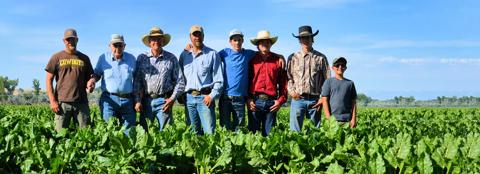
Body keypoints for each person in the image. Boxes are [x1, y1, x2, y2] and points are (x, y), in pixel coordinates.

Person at [134, 27, 185, 132]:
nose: (156, 41)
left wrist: (172, 99)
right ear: (149, 42)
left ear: (163, 41)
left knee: (166, 134)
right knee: (144, 134)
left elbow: (180, 82)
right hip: (146, 101)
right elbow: (137, 81)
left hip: (164, 102)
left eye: (159, 39)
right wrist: (137, 100)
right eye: (153, 39)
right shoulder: (142, 58)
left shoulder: (171, 58)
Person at [45, 28, 94, 131]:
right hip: (62, 103)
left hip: (81, 103)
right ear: (64, 41)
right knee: (60, 135)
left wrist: (91, 83)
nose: (70, 42)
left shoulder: (84, 58)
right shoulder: (56, 57)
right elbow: (48, 79)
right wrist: (52, 101)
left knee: (85, 135)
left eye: (73, 39)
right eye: (68, 39)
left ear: (77, 40)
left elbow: (90, 77)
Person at [88, 34, 136, 134]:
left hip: (128, 100)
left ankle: (128, 149)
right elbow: (97, 74)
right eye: (115, 45)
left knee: (130, 131)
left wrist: (138, 99)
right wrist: (92, 81)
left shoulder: (131, 59)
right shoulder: (103, 58)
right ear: (110, 46)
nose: (118, 48)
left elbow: (138, 80)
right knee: (109, 130)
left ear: (124, 46)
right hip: (109, 99)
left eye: (120, 45)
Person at [179, 25, 223, 135]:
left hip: (205, 98)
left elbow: (219, 79)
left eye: (199, 34)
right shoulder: (184, 55)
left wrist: (211, 96)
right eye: (194, 35)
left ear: (203, 36)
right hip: (189, 99)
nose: (197, 37)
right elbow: (179, 77)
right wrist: (181, 95)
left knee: (209, 133)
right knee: (193, 134)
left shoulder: (212, 54)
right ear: (190, 37)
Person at [287, 25, 330, 132]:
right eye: (302, 38)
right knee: (295, 133)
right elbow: (288, 77)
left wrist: (322, 98)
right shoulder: (292, 57)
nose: (305, 40)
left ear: (312, 39)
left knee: (315, 133)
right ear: (299, 40)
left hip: (315, 100)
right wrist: (292, 92)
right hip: (298, 99)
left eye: (308, 37)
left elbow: (327, 80)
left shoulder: (321, 58)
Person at [247, 30, 288, 136]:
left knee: (270, 136)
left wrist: (280, 101)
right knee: (253, 135)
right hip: (255, 101)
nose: (265, 44)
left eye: (267, 41)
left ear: (271, 44)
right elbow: (246, 80)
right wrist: (248, 98)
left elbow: (284, 84)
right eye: (262, 42)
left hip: (271, 103)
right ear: (257, 45)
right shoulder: (251, 59)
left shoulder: (277, 61)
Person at [217, 29, 256, 132]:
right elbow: (210, 57)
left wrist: (279, 56)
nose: (237, 42)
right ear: (230, 42)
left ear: (243, 41)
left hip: (239, 99)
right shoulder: (224, 53)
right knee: (225, 128)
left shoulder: (248, 54)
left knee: (239, 130)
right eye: (235, 40)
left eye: (239, 40)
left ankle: (237, 148)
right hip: (225, 98)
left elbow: (264, 53)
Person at [321, 57, 357, 128]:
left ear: (345, 68)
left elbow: (353, 103)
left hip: (347, 120)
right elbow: (324, 100)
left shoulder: (350, 83)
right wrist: (329, 119)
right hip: (333, 120)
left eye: (342, 65)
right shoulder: (328, 82)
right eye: (337, 65)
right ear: (333, 68)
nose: (340, 67)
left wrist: (353, 119)